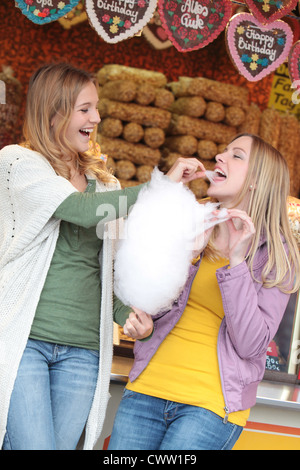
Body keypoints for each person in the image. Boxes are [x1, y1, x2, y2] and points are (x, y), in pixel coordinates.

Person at [0, 62, 205, 451]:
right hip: (24, 342)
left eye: (95, 108)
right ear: (55, 111)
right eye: (85, 108)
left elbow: (107, 273)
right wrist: (158, 187)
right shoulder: (17, 164)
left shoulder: (106, 184)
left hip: (84, 352)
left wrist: (128, 315)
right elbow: (76, 209)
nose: (96, 118)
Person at [108, 134, 300, 451]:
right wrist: (168, 200)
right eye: (223, 151)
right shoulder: (191, 220)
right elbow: (142, 293)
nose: (220, 157)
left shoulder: (278, 255)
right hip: (147, 390)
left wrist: (237, 263)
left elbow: (252, 344)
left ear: (257, 180)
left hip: (210, 407)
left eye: (236, 155)